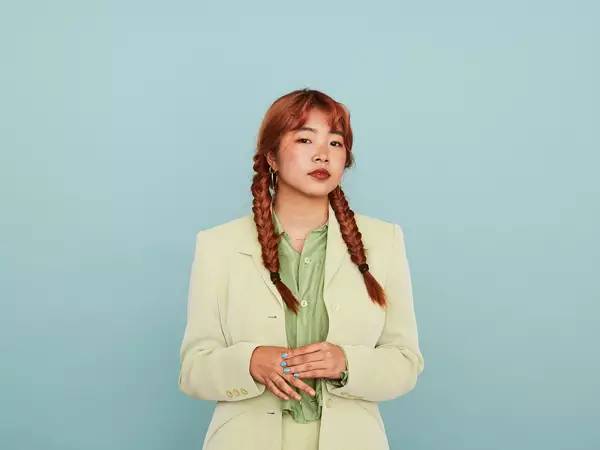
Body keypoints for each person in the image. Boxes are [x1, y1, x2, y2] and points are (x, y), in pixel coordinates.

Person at [178, 88, 425, 450]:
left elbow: (405, 362)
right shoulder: (218, 245)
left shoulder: (384, 241)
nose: (322, 154)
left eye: (335, 143)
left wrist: (347, 362)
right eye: (305, 139)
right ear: (272, 157)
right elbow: (193, 369)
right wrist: (249, 361)